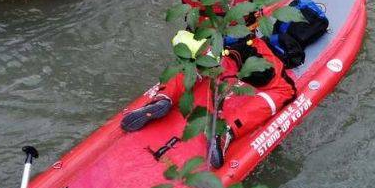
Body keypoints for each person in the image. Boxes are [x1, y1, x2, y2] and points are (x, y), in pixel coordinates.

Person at [121, 31, 298, 169]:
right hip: (240, 43)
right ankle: (227, 130)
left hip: (204, 36)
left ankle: (164, 96)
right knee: (285, 90)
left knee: (193, 61)